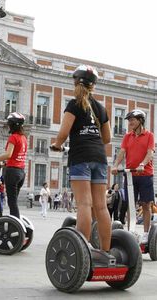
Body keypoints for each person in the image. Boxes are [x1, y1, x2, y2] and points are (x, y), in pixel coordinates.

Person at [51, 65, 112, 252]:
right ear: (93, 86)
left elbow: (63, 132)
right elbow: (107, 138)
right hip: (100, 158)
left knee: (84, 204)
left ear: (76, 82)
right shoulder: (100, 108)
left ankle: (83, 251)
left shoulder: (74, 104)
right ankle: (106, 251)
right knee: (101, 207)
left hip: (81, 157)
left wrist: (57, 145)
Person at [112, 109, 155, 244]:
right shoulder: (127, 137)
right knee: (130, 204)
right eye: (129, 120)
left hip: (145, 174)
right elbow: (122, 152)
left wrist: (143, 163)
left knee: (146, 205)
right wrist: (115, 165)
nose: (130, 122)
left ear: (140, 121)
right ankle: (131, 231)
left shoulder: (149, 135)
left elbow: (150, 153)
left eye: (133, 120)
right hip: (130, 175)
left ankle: (146, 234)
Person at [0, 112, 27, 219]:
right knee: (14, 202)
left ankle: (16, 226)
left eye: (9, 124)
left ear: (13, 124)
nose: (8, 125)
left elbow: (8, 154)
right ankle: (17, 223)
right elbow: (17, 156)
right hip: (21, 172)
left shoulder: (13, 137)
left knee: (12, 203)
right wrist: (3, 164)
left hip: (12, 172)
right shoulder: (24, 138)